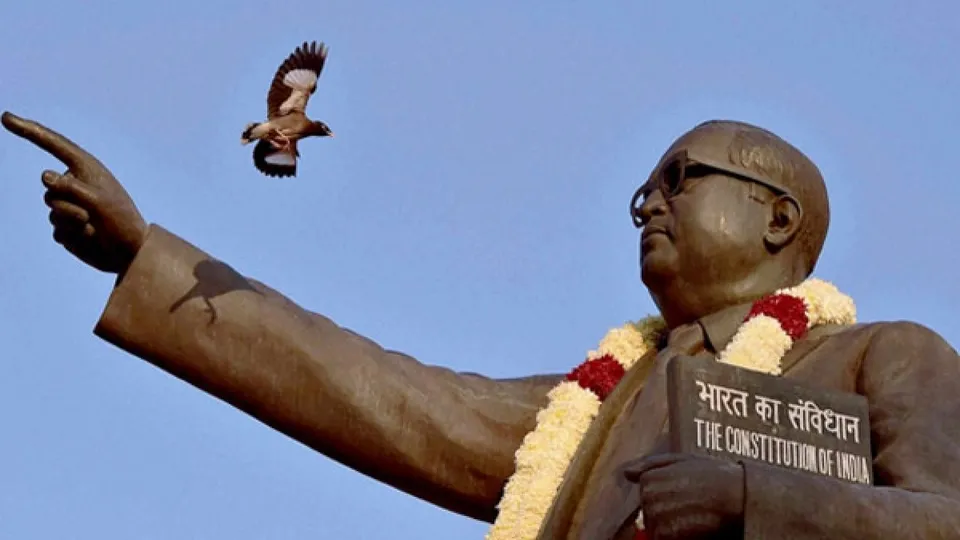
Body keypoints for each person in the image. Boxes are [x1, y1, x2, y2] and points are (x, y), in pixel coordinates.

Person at [4, 110, 960, 539]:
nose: (647, 206)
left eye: (679, 178)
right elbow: (383, 395)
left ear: (778, 218)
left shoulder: (881, 356)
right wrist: (149, 259)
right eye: (642, 192)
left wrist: (751, 500)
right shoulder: (588, 408)